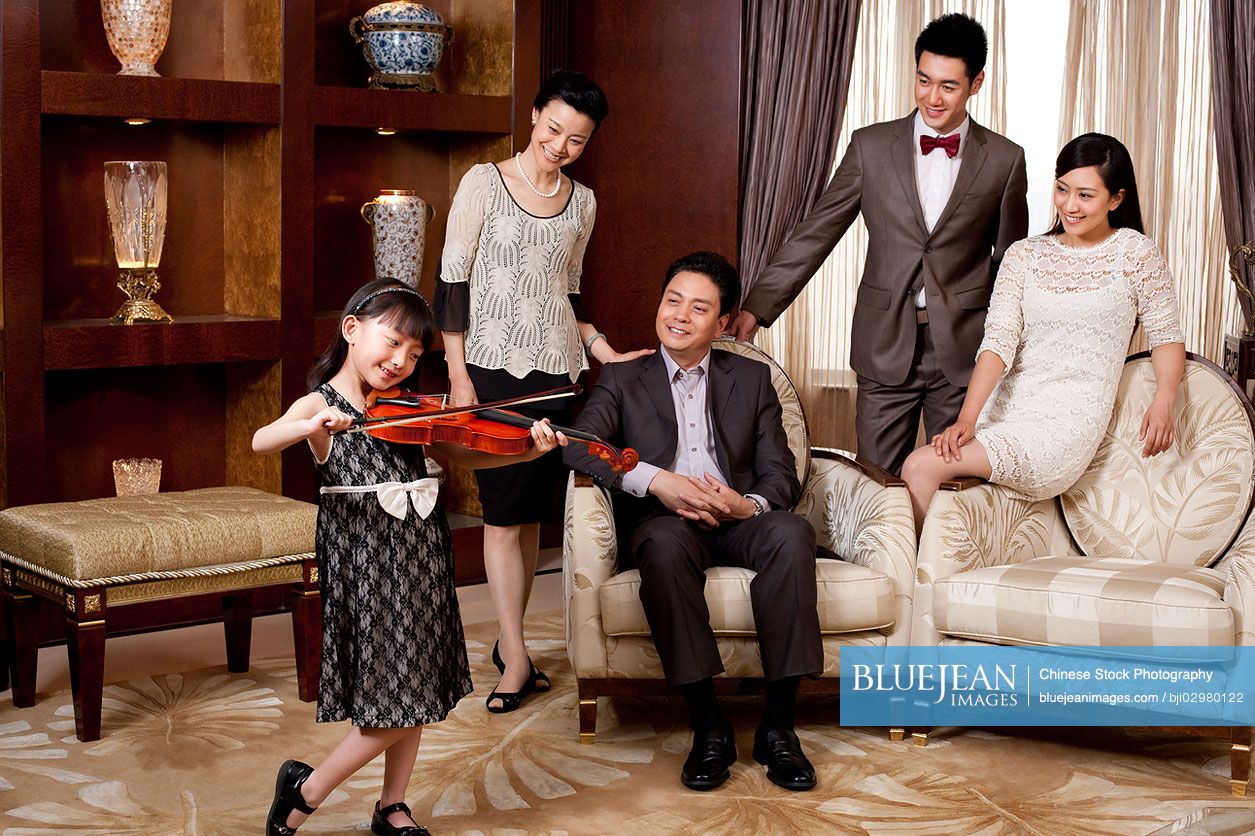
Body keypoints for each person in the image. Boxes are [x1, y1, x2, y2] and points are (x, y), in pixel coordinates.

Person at [254, 279, 566, 836]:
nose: (400, 361)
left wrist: (525, 449)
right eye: (392, 342)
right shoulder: (322, 403)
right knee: (394, 692)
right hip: (365, 561)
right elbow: (262, 439)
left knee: (417, 681)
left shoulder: (406, 411)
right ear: (352, 329)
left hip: (420, 555)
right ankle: (306, 790)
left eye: (415, 354)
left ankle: (392, 804)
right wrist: (311, 426)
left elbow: (466, 459)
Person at [564, 251, 823, 793]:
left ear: (723, 323)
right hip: (666, 520)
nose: (679, 315)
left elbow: (781, 471)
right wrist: (657, 480)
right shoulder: (623, 377)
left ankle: (779, 727)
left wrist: (743, 504)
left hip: (736, 516)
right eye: (672, 300)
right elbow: (583, 447)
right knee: (659, 544)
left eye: (698, 307)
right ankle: (708, 725)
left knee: (791, 532)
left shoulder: (752, 379)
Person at [728, 13, 1029, 476]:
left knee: (955, 486)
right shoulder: (870, 146)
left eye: (948, 86)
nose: (932, 97)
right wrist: (758, 307)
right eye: (923, 81)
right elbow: (817, 232)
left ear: (977, 83)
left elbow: (1011, 266)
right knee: (875, 482)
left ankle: (936, 554)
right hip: (884, 343)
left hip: (965, 350)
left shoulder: (1005, 160)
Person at [435, 69, 650, 714]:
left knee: (531, 517)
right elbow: (452, 286)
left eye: (576, 141)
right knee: (501, 515)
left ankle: (513, 644)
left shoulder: (583, 203)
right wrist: (458, 375)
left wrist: (602, 349)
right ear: (534, 116)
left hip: (558, 373)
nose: (560, 146)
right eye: (553, 130)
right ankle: (516, 654)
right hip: (489, 369)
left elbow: (569, 293)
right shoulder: (483, 183)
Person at [900, 133, 1186, 529]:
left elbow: (1167, 336)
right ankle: (924, 583)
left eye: (1085, 195)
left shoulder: (1135, 253)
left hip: (1066, 427)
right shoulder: (1024, 256)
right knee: (924, 470)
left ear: (1116, 199)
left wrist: (1165, 398)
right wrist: (967, 418)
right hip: (1003, 414)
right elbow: (997, 343)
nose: (1070, 205)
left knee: (920, 465)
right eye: (1062, 189)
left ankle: (906, 589)